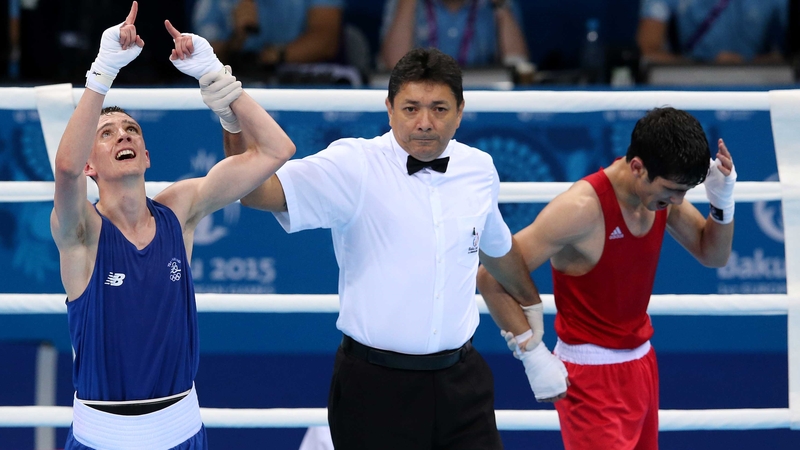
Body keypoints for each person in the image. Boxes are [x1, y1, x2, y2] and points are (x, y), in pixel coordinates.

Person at [223, 47, 567, 448]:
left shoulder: (479, 169)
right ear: (389, 109)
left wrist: (531, 305)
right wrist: (229, 112)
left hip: (462, 384)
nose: (424, 123)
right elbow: (253, 192)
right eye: (411, 109)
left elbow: (496, 246)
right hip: (375, 390)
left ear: (460, 111)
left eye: (439, 109)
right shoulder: (354, 165)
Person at [50, 2, 295, 448]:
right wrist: (102, 71)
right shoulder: (81, 233)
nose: (122, 134)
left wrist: (217, 78)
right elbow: (63, 170)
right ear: (91, 165)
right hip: (100, 438)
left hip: (182, 433)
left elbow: (276, 150)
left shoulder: (179, 210)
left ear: (146, 156)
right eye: (107, 133)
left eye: (131, 130)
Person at [477, 107, 736, 449]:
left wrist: (722, 203)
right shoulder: (579, 210)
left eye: (684, 192)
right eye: (672, 191)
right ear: (637, 168)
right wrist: (532, 354)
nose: (678, 201)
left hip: (642, 364)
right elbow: (490, 276)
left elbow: (712, 254)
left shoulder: (659, 194)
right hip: (589, 379)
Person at [192, 0, 343, 72]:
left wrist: (270, 56)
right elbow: (202, 62)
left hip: (294, 76)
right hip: (235, 78)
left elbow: (325, 42)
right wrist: (238, 37)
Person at [379, 0, 530, 70]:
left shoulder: (495, 5)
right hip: (423, 96)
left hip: (481, 97)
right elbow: (394, 64)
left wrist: (501, 5)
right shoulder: (406, 3)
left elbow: (517, 62)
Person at [636, 0, 788, 64]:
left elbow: (790, 56)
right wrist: (706, 67)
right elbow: (648, 51)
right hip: (689, 82)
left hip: (759, 81)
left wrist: (745, 66)